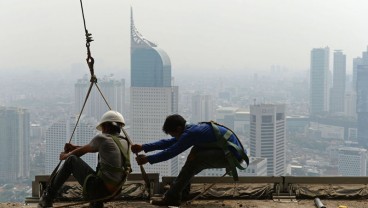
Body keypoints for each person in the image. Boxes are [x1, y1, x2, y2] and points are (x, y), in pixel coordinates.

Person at [131, 114, 248, 206]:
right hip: (228, 152)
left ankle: (172, 198)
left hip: (232, 157)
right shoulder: (190, 129)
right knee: (194, 155)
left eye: (173, 134)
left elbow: (171, 152)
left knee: (196, 160)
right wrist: (144, 147)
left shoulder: (191, 133)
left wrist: (148, 159)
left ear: (178, 128)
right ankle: (181, 191)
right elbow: (171, 143)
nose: (174, 137)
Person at [38, 110, 131, 208]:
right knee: (100, 172)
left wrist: (65, 156)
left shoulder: (103, 138)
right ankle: (96, 203)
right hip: (116, 191)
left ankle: (47, 197)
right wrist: (74, 147)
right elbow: (90, 147)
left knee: (71, 160)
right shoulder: (124, 142)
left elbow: (80, 152)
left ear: (106, 126)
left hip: (100, 191)